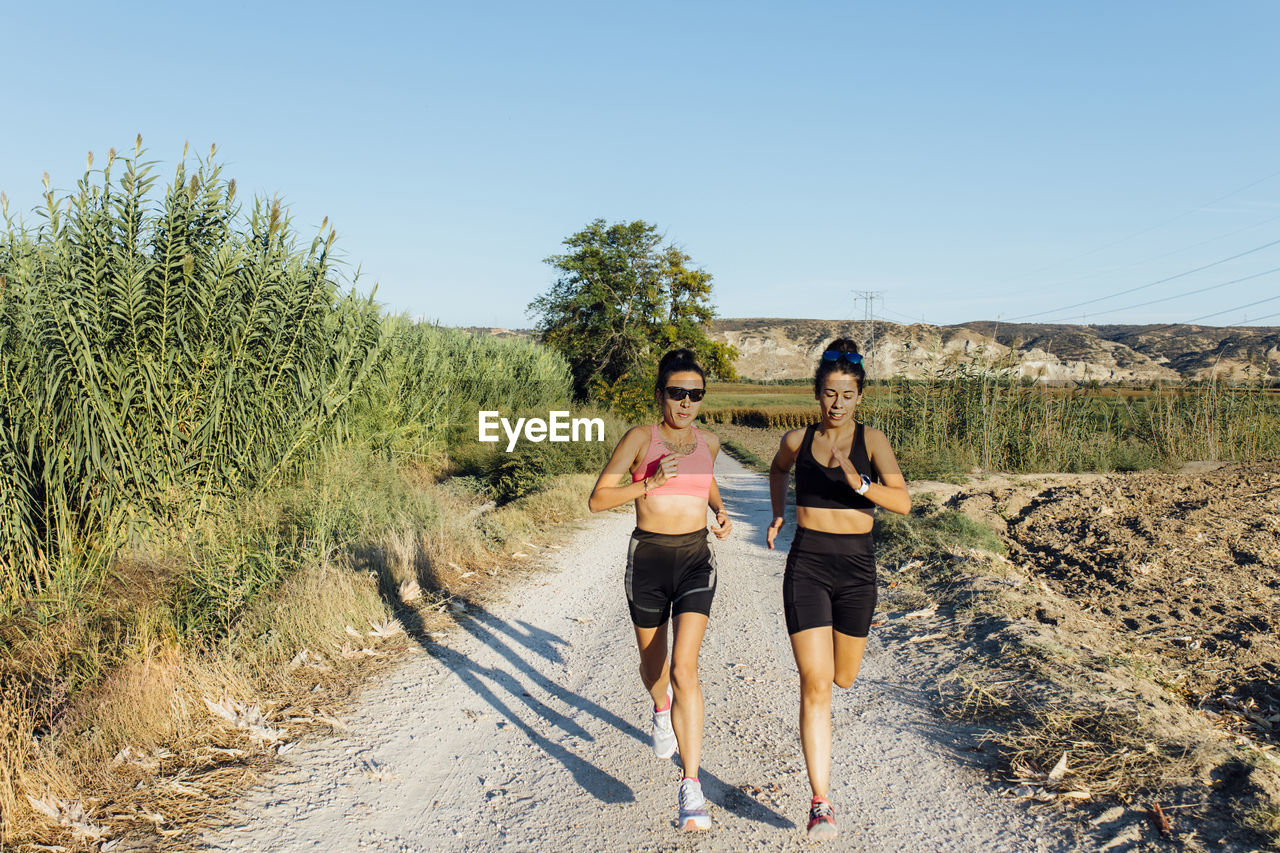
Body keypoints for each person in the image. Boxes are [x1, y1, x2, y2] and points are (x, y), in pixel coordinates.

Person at [765, 339, 910, 841]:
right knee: (816, 682)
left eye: (847, 395)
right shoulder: (795, 441)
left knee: (844, 677)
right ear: (817, 394)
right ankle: (820, 801)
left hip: (857, 570)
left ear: (859, 397)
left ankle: (821, 791)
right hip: (807, 565)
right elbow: (778, 469)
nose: (837, 404)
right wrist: (780, 511)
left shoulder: (873, 442)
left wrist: (863, 485)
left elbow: (904, 503)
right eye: (830, 394)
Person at [588, 348, 732, 831]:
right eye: (677, 393)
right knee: (655, 666)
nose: (686, 403)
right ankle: (660, 707)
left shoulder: (708, 442)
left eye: (695, 394)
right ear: (660, 395)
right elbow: (598, 499)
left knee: (685, 667)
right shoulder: (638, 439)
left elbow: (705, 480)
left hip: (695, 559)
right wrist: (647, 482)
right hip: (647, 560)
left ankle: (691, 786)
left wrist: (719, 509)